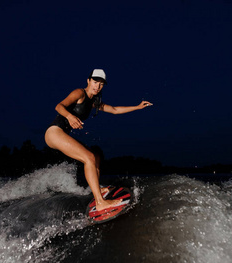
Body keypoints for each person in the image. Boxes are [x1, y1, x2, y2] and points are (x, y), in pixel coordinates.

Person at [45, 69, 152, 212]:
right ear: (88, 81)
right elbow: (59, 106)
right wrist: (70, 117)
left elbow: (114, 109)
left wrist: (137, 107)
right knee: (88, 157)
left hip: (62, 134)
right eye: (95, 82)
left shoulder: (93, 102)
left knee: (95, 155)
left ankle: (96, 190)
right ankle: (100, 202)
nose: (97, 86)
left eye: (101, 84)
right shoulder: (79, 93)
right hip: (54, 132)